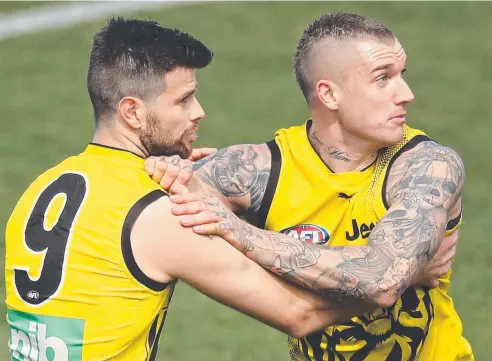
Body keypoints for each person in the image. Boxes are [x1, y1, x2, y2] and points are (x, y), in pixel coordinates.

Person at [4, 17, 385, 361]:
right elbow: (300, 313)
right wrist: (401, 280)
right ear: (133, 112)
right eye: (183, 99)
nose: (198, 111)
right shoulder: (160, 214)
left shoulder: (42, 187)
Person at [145, 11, 473, 361]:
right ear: (329, 94)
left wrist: (238, 232)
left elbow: (382, 278)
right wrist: (162, 168)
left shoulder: (428, 167)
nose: (406, 94)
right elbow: (143, 200)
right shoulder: (258, 170)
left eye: (401, 75)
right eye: (383, 78)